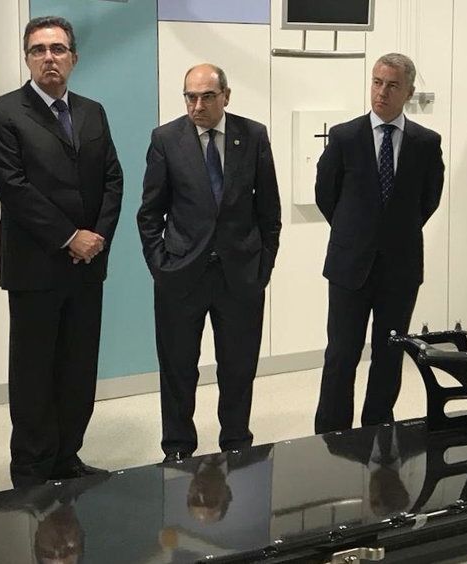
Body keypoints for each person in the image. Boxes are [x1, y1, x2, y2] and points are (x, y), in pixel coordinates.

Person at [0, 15, 124, 487]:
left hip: (87, 266)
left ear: (74, 58)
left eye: (58, 49)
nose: (49, 58)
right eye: (39, 50)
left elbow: (112, 179)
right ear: (27, 58)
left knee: (78, 369)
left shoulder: (92, 112)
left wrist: (96, 236)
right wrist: (69, 237)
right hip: (35, 267)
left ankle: (67, 457)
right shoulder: (2, 113)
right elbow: (13, 187)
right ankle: (31, 469)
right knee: (34, 373)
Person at [137, 63, 281, 461]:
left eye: (207, 97)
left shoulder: (253, 136)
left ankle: (236, 444)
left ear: (226, 96)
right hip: (181, 274)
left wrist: (263, 266)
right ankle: (178, 448)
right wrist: (160, 265)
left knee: (238, 367)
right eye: (190, 97)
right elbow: (150, 213)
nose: (197, 105)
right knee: (178, 368)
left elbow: (269, 210)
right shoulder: (166, 139)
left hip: (240, 275)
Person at [313, 53, 445, 434]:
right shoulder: (345, 137)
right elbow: (326, 193)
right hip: (349, 266)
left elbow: (429, 199)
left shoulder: (425, 143)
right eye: (377, 82)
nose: (382, 92)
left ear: (409, 92)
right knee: (341, 355)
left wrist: (392, 234)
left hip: (400, 269)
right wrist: (357, 233)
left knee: (389, 355)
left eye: (392, 85)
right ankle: (332, 436)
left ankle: (378, 430)